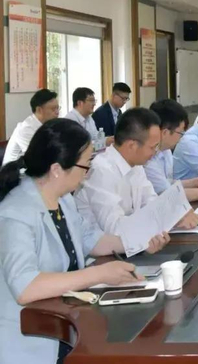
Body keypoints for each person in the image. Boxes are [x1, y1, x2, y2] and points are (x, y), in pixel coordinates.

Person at [0, 119, 168, 364]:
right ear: (57, 169)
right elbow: (26, 287)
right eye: (85, 165)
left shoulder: (63, 199)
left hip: (64, 321)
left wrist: (141, 241)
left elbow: (91, 239)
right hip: (31, 340)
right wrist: (98, 274)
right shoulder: (15, 212)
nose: (87, 174)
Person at [74, 108, 198, 251]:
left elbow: (153, 203)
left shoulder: (136, 165)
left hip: (134, 246)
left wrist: (175, 215)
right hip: (106, 255)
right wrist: (165, 219)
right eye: (153, 147)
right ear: (132, 145)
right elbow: (115, 229)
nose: (155, 152)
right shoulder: (101, 171)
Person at [3, 89, 60, 166]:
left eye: (58, 108)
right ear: (39, 110)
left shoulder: (49, 125)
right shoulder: (26, 129)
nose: (57, 112)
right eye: (53, 109)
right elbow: (36, 156)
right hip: (15, 171)